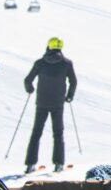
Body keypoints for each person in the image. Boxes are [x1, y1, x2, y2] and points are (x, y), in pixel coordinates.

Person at [24, 36, 78, 172]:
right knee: (58, 133)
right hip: (58, 103)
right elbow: (73, 82)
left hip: (42, 102)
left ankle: (30, 164)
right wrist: (69, 96)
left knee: (36, 132)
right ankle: (59, 164)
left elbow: (28, 80)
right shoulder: (66, 64)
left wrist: (30, 89)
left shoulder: (40, 63)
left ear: (48, 47)